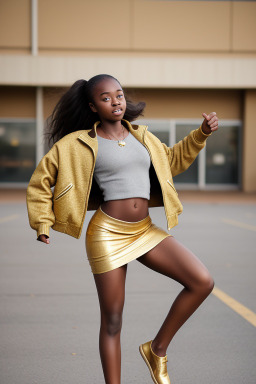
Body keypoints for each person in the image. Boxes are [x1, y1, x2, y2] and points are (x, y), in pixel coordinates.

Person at [26, 74, 219, 384]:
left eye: (119, 95)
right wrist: (42, 221)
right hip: (106, 234)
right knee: (113, 321)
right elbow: (41, 180)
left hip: (145, 229)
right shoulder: (75, 144)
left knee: (202, 281)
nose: (115, 101)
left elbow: (172, 161)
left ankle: (156, 350)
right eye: (105, 98)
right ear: (93, 106)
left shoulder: (143, 136)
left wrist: (201, 134)